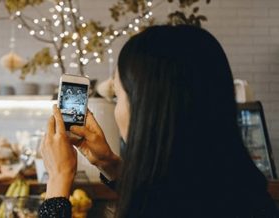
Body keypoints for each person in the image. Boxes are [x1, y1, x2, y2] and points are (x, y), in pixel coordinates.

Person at [38, 25, 279, 217]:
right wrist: (110, 165)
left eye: (117, 96)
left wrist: (59, 179)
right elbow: (171, 198)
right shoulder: (240, 192)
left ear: (146, 110)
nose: (116, 108)